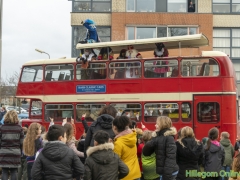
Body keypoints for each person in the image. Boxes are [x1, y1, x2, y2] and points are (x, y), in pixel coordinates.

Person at [112, 116, 141, 180]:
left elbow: (115, 162)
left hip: (125, 176)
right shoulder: (133, 136)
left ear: (115, 128)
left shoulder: (118, 143)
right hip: (136, 173)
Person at [0, 110, 24, 180]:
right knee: (14, 171)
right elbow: (22, 142)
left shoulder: (2, 128)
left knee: (4, 171)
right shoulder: (19, 128)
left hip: (4, 152)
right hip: (15, 152)